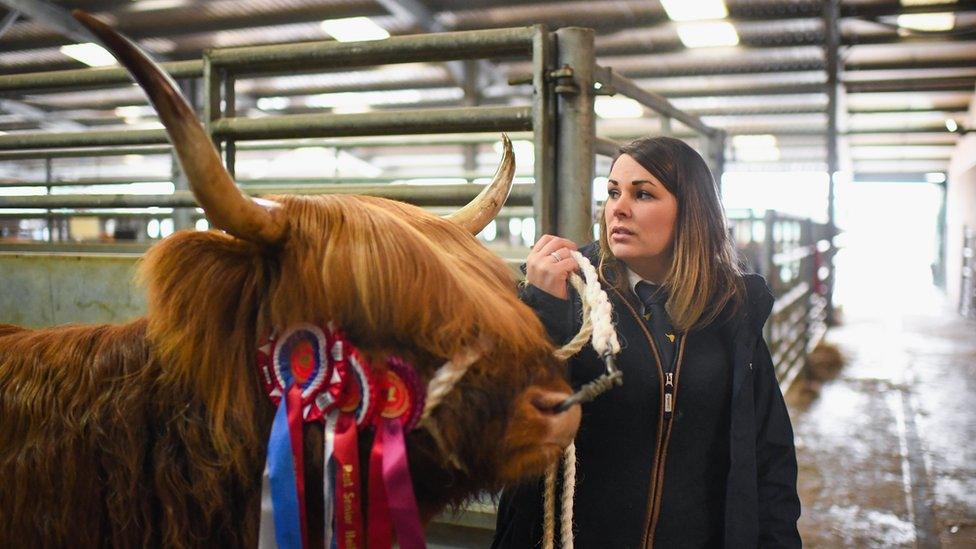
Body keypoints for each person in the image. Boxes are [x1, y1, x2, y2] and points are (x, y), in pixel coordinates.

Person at [492, 136, 801, 548]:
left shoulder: (731, 312)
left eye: (642, 194)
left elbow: (768, 453)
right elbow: (505, 428)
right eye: (613, 192)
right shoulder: (569, 297)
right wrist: (540, 312)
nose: (617, 208)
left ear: (691, 212)